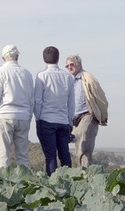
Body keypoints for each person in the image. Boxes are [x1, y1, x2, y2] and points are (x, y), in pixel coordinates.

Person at [0, 44, 34, 168]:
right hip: (23, 116)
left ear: (3, 58)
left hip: (4, 115)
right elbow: (31, 99)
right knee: (23, 155)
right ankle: (25, 183)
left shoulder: (0, 72)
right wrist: (29, 116)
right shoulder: (27, 74)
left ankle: (3, 185)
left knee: (3, 155)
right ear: (17, 56)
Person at [34, 46, 75, 176]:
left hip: (46, 120)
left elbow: (38, 101)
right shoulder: (68, 77)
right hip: (63, 121)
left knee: (50, 157)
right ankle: (69, 182)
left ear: (44, 59)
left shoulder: (41, 76)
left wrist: (38, 117)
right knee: (65, 156)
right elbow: (71, 103)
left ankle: (53, 186)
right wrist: (69, 121)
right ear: (58, 58)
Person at [65, 55, 108, 167]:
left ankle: (86, 177)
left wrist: (102, 116)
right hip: (74, 119)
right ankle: (80, 177)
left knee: (83, 150)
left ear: (79, 64)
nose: (69, 67)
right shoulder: (69, 80)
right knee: (77, 151)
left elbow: (100, 97)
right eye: (67, 65)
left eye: (72, 64)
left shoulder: (88, 78)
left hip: (87, 115)